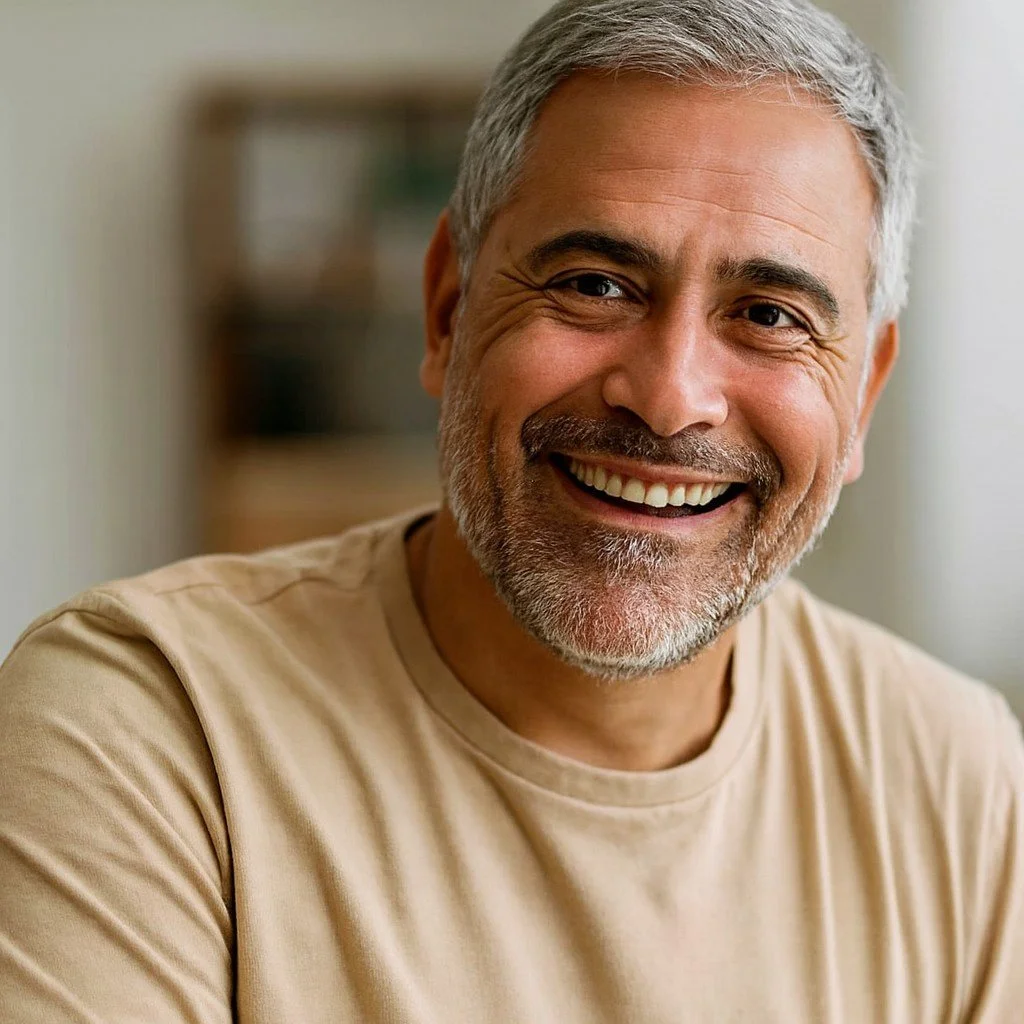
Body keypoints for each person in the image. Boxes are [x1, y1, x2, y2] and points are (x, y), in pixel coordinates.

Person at [2, 0, 1022, 1019]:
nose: (669, 397)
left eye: (767, 315)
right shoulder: (150, 728)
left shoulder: (956, 782)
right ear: (448, 306)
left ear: (862, 398)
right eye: (594, 283)